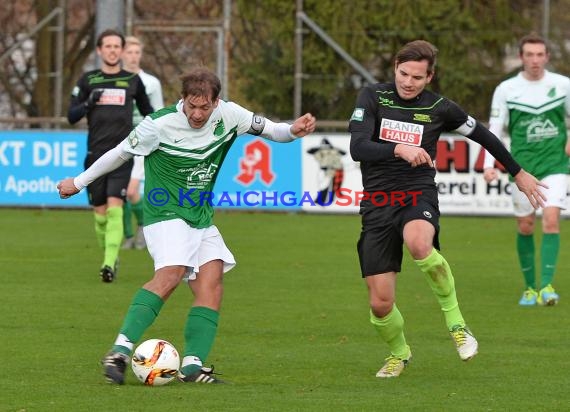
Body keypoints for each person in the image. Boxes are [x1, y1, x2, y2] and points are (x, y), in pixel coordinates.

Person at [58, 67, 316, 384]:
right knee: (170, 274)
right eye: (191, 106)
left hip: (199, 214)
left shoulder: (231, 115)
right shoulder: (159, 124)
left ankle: (192, 366)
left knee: (212, 279)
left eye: (204, 107)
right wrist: (79, 181)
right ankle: (119, 352)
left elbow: (273, 131)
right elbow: (119, 153)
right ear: (183, 99)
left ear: (216, 102)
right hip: (164, 212)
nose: (197, 113)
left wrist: (293, 130)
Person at [348, 40, 546, 378]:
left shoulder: (440, 107)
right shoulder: (372, 96)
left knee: (419, 244)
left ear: (430, 77)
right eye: (403, 73)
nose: (408, 82)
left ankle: (457, 324)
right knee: (380, 304)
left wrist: (518, 171)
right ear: (395, 67)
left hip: (416, 193)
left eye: (417, 77)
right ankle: (399, 353)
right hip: (378, 203)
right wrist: (400, 149)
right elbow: (358, 146)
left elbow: (483, 135)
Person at [483, 33, 570, 307]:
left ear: (547, 57)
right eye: (529, 55)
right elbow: (494, 129)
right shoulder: (506, 89)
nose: (535, 60)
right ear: (521, 57)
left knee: (551, 220)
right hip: (521, 168)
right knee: (525, 225)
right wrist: (488, 164)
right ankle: (530, 288)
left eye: (539, 54)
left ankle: (546, 287)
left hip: (556, 163)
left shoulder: (563, 85)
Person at [67, 29, 154, 282]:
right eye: (108, 46)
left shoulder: (132, 81)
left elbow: (150, 113)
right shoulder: (87, 80)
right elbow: (71, 116)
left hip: (122, 155)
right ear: (99, 50)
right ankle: (111, 253)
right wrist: (87, 104)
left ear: (122, 50)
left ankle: (108, 265)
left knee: (116, 207)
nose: (113, 50)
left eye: (117, 46)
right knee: (100, 215)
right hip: (94, 156)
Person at [120, 35, 165, 250]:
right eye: (129, 52)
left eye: (137, 52)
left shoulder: (151, 83)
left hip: (141, 142)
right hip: (118, 140)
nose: (133, 56)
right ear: (121, 54)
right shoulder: (115, 81)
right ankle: (129, 236)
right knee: (119, 192)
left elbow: (158, 113)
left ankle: (142, 228)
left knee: (131, 191)